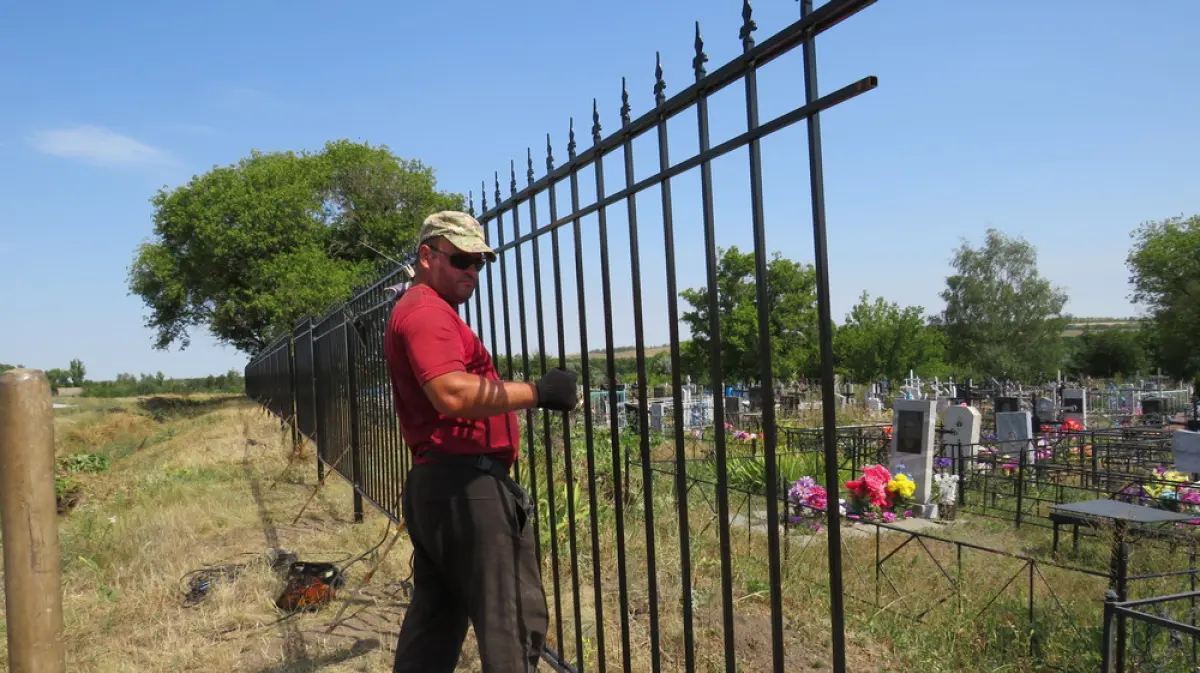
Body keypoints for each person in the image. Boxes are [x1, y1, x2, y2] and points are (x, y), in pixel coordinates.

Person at [383, 210, 579, 672]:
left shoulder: (423, 310)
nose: (471, 271)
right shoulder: (427, 311)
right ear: (427, 256)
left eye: (479, 263)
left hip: (443, 486)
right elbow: (451, 392)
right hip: (467, 488)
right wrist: (538, 393)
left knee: (434, 623)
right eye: (461, 259)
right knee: (510, 622)